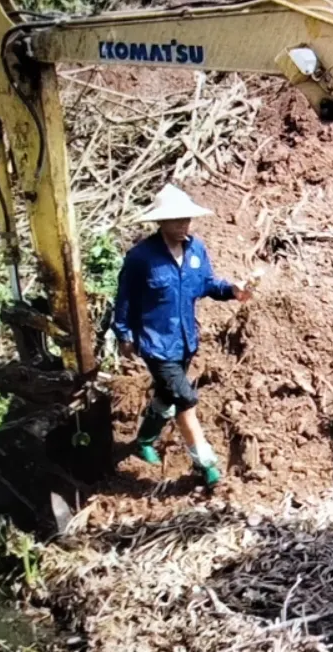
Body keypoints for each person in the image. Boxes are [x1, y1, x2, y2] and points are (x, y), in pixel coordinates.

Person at [113, 184, 252, 486]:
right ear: (160, 222)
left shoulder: (196, 250)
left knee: (167, 394)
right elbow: (124, 298)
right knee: (186, 398)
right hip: (156, 343)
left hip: (186, 341)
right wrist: (123, 333)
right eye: (176, 220)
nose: (183, 226)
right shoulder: (141, 258)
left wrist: (232, 291)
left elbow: (207, 286)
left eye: (186, 219)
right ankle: (206, 465)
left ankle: (144, 439)